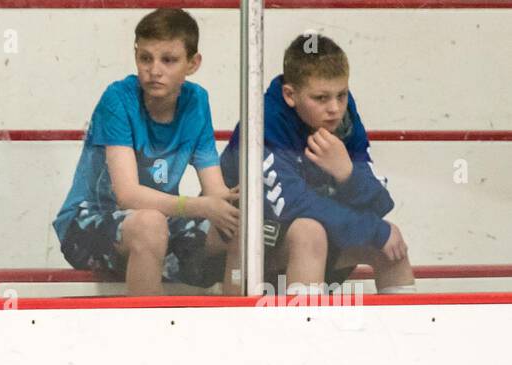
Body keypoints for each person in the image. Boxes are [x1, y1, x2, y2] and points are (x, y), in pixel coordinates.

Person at [52, 8, 239, 296]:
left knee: (239, 229)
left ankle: (238, 329)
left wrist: (230, 205)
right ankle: (148, 335)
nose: (154, 70)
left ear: (193, 63)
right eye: (145, 58)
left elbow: (214, 188)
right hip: (89, 222)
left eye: (168, 60)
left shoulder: (197, 101)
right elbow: (127, 195)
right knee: (149, 224)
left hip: (162, 221)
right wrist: (202, 206)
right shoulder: (118, 99)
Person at [220, 34, 414, 295]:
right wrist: (374, 229)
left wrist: (346, 173)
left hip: (302, 240)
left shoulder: (342, 118)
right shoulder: (263, 121)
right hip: (235, 247)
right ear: (290, 95)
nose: (334, 108)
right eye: (321, 98)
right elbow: (291, 205)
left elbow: (379, 204)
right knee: (309, 233)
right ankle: (306, 334)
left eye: (341, 95)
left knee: (393, 246)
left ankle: (407, 334)